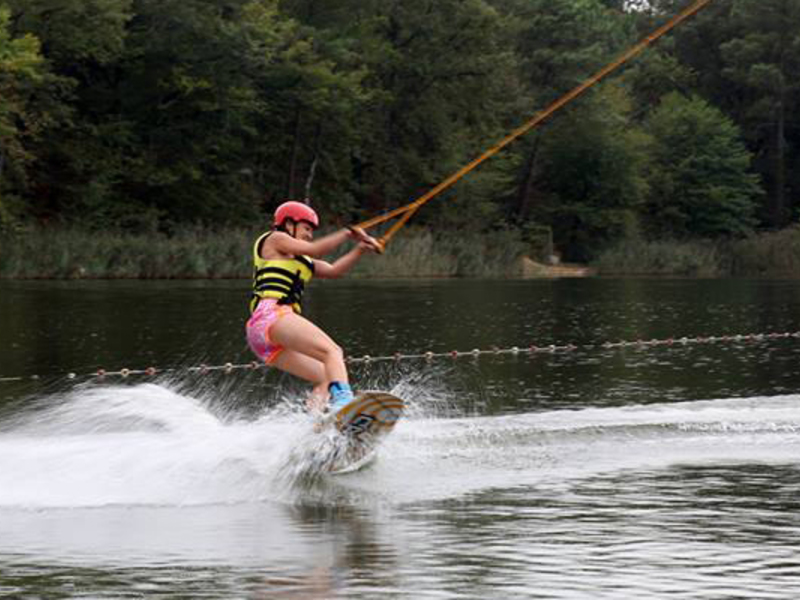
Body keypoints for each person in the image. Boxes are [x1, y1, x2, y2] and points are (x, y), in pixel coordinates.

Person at [246, 200, 382, 413]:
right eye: (307, 228)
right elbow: (317, 249)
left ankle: (315, 423)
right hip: (272, 316)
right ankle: (344, 404)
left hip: (262, 334)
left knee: (326, 376)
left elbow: (335, 270)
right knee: (333, 351)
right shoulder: (276, 239)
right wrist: (346, 233)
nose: (310, 234)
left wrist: (359, 249)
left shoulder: (303, 261)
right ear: (288, 223)